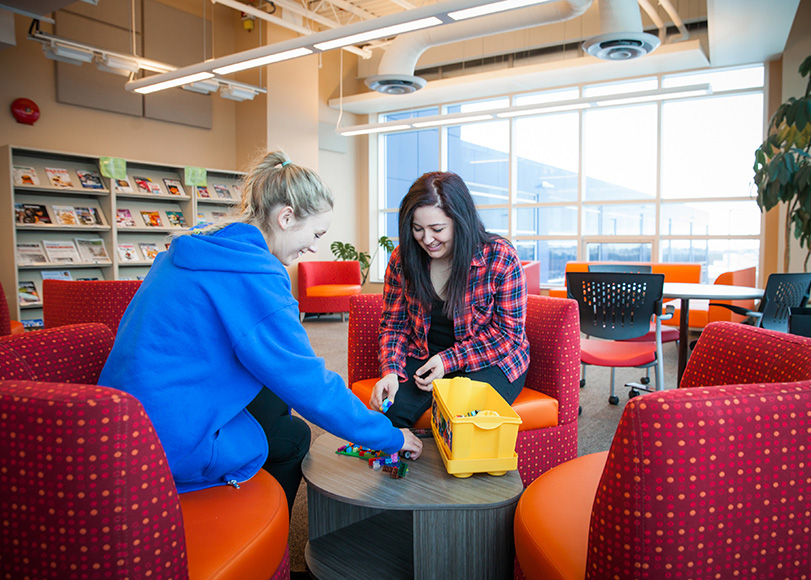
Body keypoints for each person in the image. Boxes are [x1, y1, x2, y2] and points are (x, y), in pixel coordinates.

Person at [98, 151, 422, 513]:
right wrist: (388, 436)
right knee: (295, 435)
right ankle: (256, 523)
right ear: (286, 217)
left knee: (273, 398)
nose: (315, 247)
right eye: (315, 233)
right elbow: (309, 383)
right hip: (169, 445)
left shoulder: (200, 247)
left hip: (123, 423)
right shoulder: (255, 275)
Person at [369, 171, 530, 428]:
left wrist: (448, 361)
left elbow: (508, 335)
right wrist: (390, 371)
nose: (427, 239)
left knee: (459, 418)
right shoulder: (403, 258)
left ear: (460, 221)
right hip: (426, 353)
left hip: (490, 359)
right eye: (418, 229)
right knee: (391, 411)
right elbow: (394, 325)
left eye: (437, 229)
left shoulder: (499, 257)